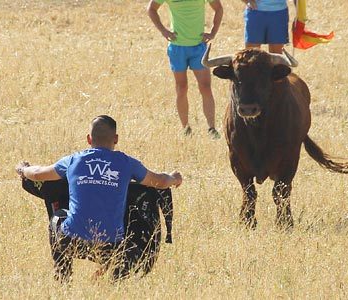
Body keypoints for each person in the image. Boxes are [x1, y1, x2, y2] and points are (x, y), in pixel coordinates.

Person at [15, 115, 183, 281]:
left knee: (57, 216)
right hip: (112, 247)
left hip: (73, 242)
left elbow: (37, 174)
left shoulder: (73, 160)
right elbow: (159, 181)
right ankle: (109, 273)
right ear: (116, 139)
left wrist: (23, 169)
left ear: (89, 139)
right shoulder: (127, 163)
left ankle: (62, 274)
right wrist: (174, 178)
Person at [147, 0, 223, 139]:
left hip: (198, 47)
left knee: (205, 86)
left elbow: (218, 8)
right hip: (177, 48)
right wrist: (164, 31)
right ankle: (185, 128)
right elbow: (151, 9)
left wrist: (213, 32)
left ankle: (212, 128)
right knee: (181, 87)